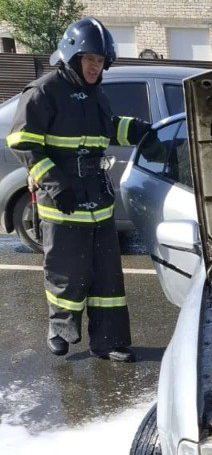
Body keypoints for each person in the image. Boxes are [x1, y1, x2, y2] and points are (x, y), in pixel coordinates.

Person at [6, 17, 150, 362]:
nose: (95, 67)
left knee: (106, 277)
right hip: (62, 200)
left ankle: (109, 341)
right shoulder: (44, 91)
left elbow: (107, 129)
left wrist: (137, 130)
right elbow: (22, 142)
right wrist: (56, 184)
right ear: (72, 56)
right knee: (67, 272)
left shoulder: (96, 94)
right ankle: (60, 329)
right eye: (90, 60)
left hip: (98, 200)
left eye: (100, 61)